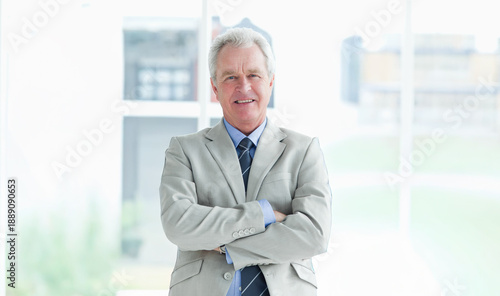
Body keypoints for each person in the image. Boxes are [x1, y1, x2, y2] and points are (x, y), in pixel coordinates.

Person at [159, 27, 332, 296]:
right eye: (231, 77)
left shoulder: (304, 150)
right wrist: (264, 215)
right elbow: (179, 225)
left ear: (270, 81)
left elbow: (314, 235)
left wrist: (228, 247)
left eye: (254, 75)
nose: (244, 87)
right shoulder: (184, 150)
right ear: (215, 87)